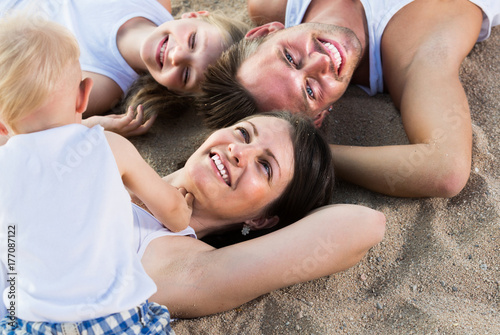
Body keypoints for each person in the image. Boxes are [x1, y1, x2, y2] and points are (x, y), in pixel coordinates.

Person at [0, 14, 193, 333]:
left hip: (33, 324)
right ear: (83, 94)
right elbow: (174, 215)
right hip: (119, 318)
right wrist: (181, 205)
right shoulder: (110, 146)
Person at [198, 0, 500, 198]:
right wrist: (308, 152)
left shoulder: (272, 3)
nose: (320, 62)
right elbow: (445, 169)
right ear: (320, 116)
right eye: (310, 90)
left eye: (289, 57)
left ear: (266, 31)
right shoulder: (415, 56)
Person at [128, 110, 386, 318]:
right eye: (243, 133)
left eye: (265, 167)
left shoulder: (189, 267)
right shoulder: (114, 156)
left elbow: (365, 225)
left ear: (261, 219)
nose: (238, 152)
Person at [0, 0, 249, 137]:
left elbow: (29, 129)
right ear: (195, 15)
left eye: (186, 74)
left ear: (179, 92)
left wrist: (93, 127)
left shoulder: (103, 86)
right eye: (193, 41)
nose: (177, 55)